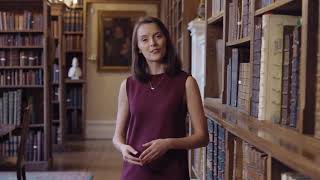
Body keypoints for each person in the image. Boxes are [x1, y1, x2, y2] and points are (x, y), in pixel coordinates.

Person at [112, 16, 209, 180]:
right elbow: (117, 137)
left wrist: (168, 143)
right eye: (144, 39)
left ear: (166, 40)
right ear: (138, 48)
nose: (152, 43)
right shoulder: (128, 85)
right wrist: (122, 148)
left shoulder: (186, 83)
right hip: (135, 171)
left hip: (172, 172)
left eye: (157, 36)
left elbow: (202, 137)